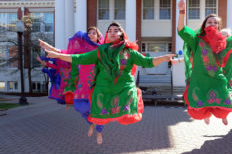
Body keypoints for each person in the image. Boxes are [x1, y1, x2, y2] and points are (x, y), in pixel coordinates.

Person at [44, 22, 174, 126]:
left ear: (121, 34)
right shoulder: (100, 51)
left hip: (123, 88)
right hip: (104, 88)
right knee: (95, 101)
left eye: (115, 30)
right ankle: (98, 125)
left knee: (130, 97)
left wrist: (162, 58)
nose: (112, 32)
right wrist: (58, 55)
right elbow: (79, 58)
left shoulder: (130, 52)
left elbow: (148, 62)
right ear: (106, 35)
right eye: (110, 31)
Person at [40, 27, 106, 144]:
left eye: (93, 33)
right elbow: (62, 53)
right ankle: (91, 123)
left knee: (98, 108)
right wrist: (47, 46)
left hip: (97, 84)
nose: (90, 35)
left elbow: (115, 51)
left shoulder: (102, 50)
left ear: (98, 36)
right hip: (82, 84)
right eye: (89, 33)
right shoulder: (80, 50)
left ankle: (99, 131)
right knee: (79, 107)